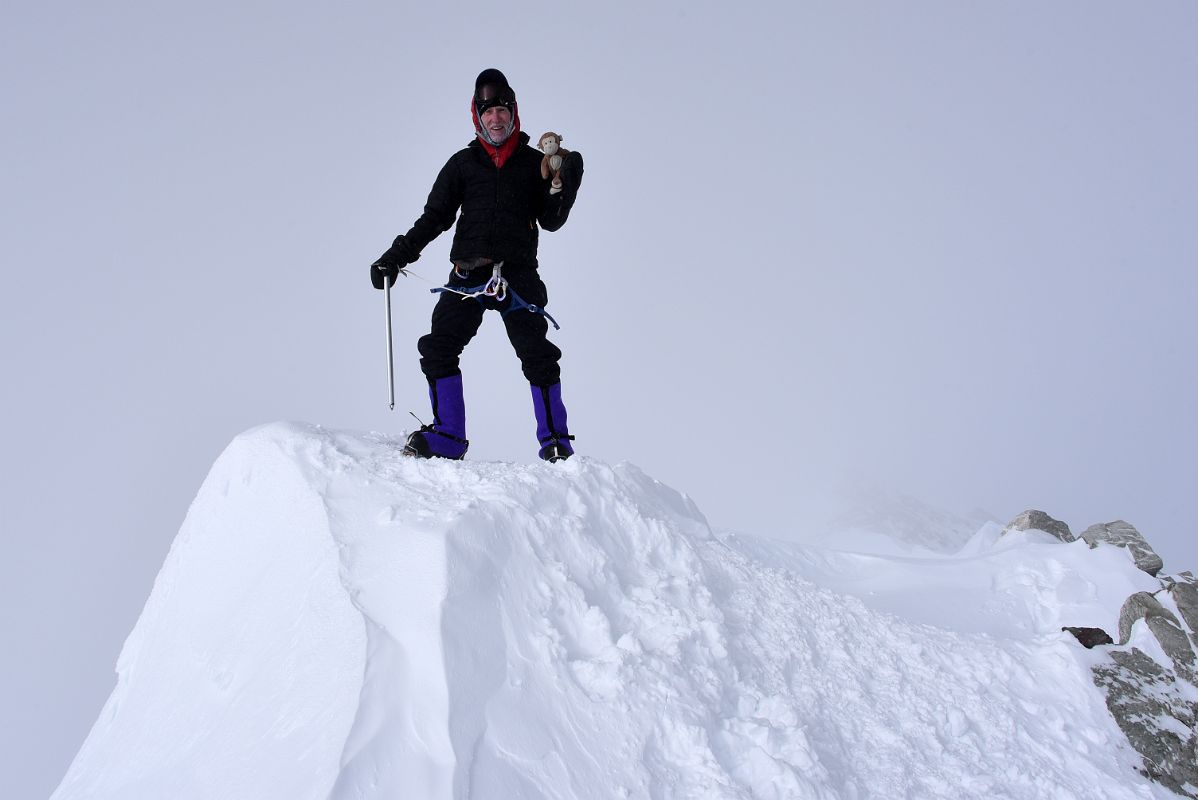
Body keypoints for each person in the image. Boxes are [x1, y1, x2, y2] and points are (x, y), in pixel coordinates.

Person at [370, 68, 584, 462]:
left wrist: (565, 186)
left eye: (502, 110)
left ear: (514, 113)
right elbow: (434, 218)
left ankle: (556, 443)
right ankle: (449, 437)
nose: (496, 119)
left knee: (537, 355)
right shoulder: (463, 165)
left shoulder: (536, 165)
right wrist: (394, 257)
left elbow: (551, 220)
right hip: (469, 274)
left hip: (517, 275)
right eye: (488, 112)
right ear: (477, 116)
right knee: (438, 348)